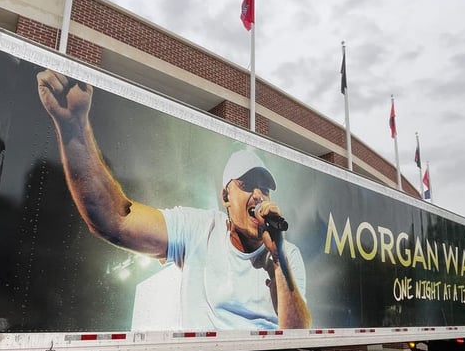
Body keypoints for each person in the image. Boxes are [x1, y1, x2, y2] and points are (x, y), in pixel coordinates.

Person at [37, 70, 311, 330]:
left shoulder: (287, 254)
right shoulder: (198, 229)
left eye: (265, 188)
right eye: (248, 184)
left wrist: (278, 258)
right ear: (225, 197)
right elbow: (116, 221)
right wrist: (74, 128)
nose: (259, 194)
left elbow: (296, 332)